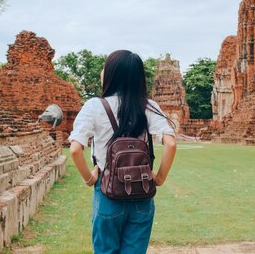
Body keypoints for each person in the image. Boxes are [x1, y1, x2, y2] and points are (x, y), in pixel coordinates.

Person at [69, 50, 178, 254]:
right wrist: (160, 178)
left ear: (112, 74)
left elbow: (75, 149)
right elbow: (170, 144)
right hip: (142, 192)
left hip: (108, 191)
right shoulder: (149, 106)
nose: (102, 71)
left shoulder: (94, 106)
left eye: (104, 68)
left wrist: (90, 179)